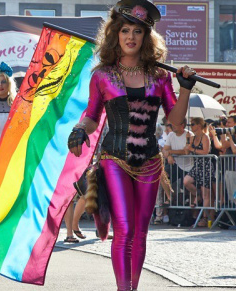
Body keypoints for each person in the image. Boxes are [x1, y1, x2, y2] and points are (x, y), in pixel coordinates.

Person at [67, 1, 197, 290]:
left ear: (146, 37)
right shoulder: (102, 75)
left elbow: (176, 123)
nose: (131, 36)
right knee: (124, 229)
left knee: (141, 232)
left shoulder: (160, 77)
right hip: (114, 158)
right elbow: (91, 116)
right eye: (125, 30)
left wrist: (186, 88)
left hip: (150, 160)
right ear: (115, 34)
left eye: (137, 31)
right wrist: (79, 129)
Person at [183, 118, 214, 226]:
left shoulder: (205, 137)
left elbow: (205, 151)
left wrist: (193, 149)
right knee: (186, 181)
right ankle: (198, 195)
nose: (191, 126)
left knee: (206, 194)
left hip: (206, 166)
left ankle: (205, 218)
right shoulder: (193, 137)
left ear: (199, 126)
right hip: (196, 166)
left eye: (193, 124)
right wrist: (187, 141)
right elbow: (187, 152)